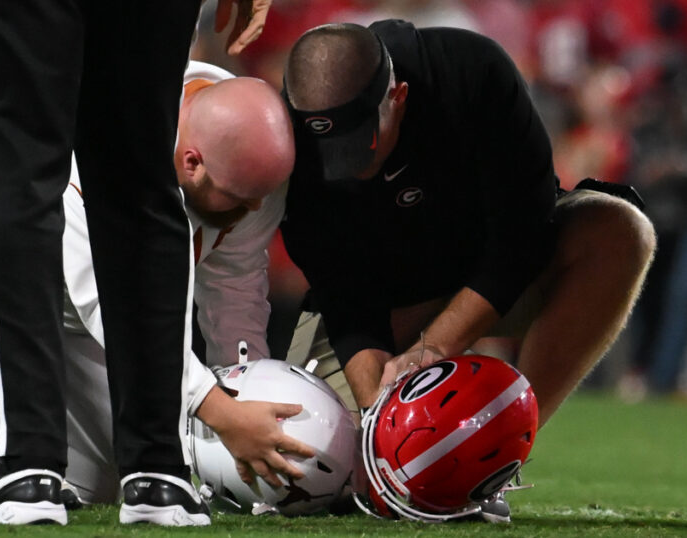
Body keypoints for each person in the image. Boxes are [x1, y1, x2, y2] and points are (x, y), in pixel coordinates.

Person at [0, 64, 312, 517]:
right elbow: (108, 302)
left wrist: (249, 394)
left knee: (92, 483)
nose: (254, 209)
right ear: (191, 161)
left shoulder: (247, 151)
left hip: (67, 276)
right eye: (243, 198)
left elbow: (236, 287)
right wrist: (222, 413)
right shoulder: (103, 129)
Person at [279, 21, 656, 521]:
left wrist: (434, 347)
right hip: (389, 300)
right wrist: (380, 421)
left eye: (361, 143)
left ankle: (494, 453)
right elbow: (341, 291)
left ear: (399, 95)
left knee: (619, 230)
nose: (345, 166)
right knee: (306, 475)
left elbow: (525, 228)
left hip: (495, 275)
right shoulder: (286, 137)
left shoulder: (470, 73)